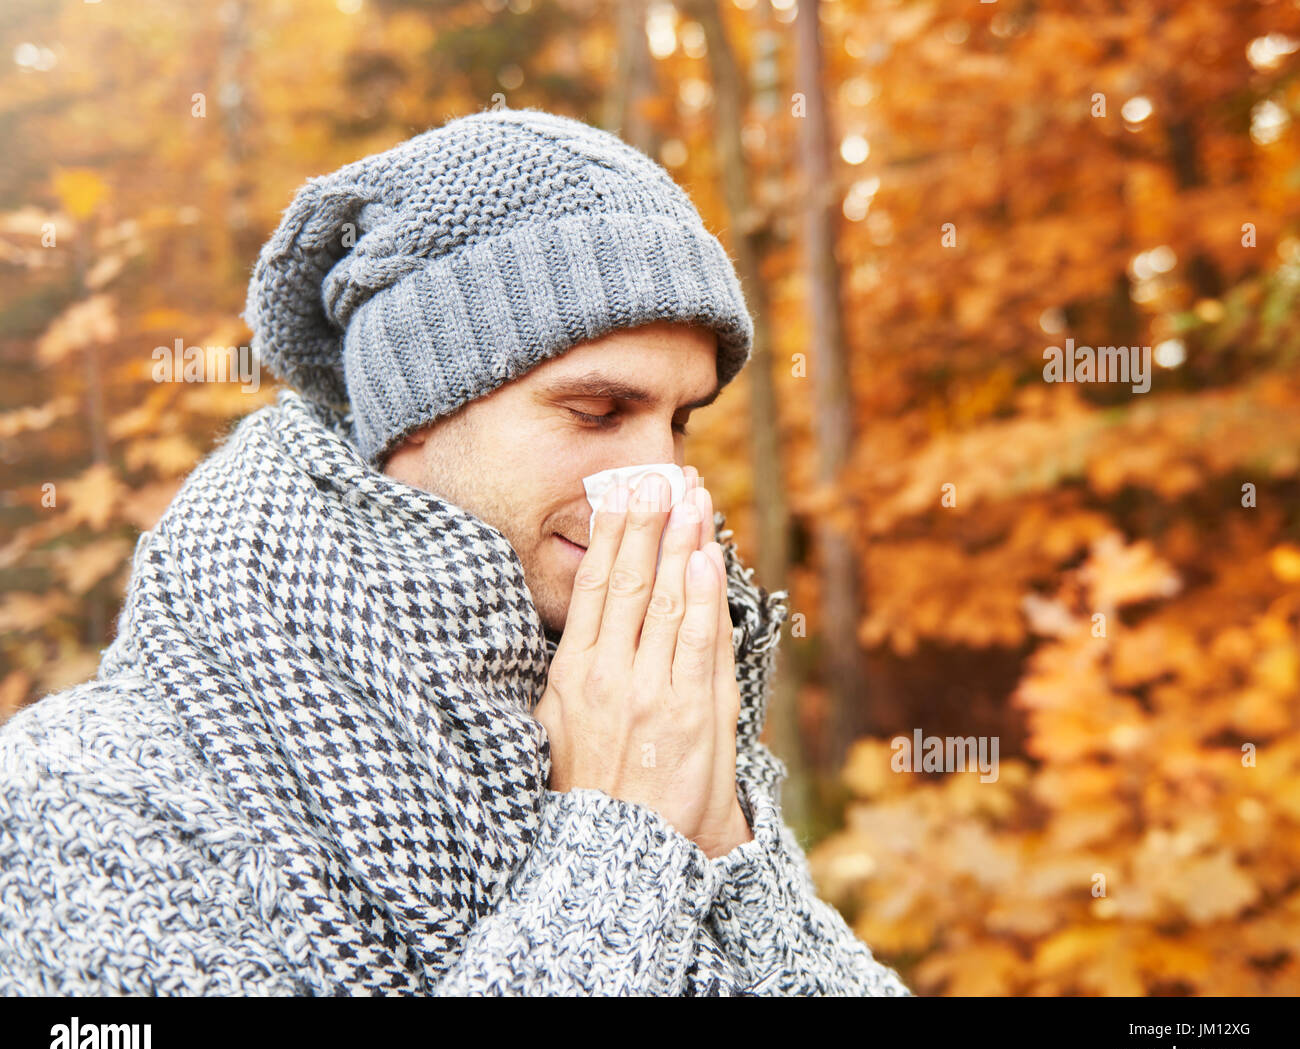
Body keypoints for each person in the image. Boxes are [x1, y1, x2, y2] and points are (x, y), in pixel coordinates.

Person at [0, 107, 911, 997]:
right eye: (597, 411)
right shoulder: (84, 791)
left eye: (679, 422)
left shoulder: (653, 718)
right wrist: (622, 844)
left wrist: (729, 852)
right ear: (415, 420)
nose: (665, 483)